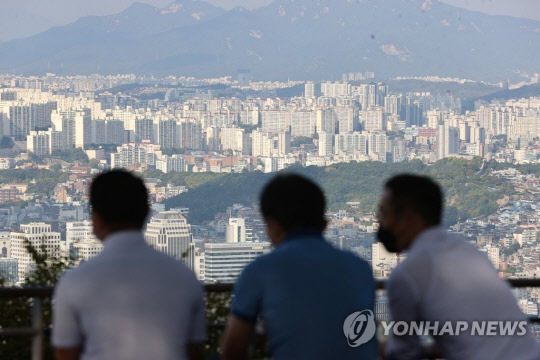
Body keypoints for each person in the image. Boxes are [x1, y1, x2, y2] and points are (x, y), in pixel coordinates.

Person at [378, 174, 540, 360]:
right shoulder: (468, 250)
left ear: (407, 217)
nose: (382, 224)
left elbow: (403, 354)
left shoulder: (407, 273)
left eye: (385, 214)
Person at [52, 170, 205, 360]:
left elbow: (66, 353)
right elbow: (194, 350)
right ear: (147, 214)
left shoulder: (75, 282)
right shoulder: (185, 277)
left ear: (96, 218)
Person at [221, 174, 377, 360]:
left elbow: (233, 349)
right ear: (324, 224)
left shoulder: (261, 271)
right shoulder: (360, 269)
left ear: (272, 225)